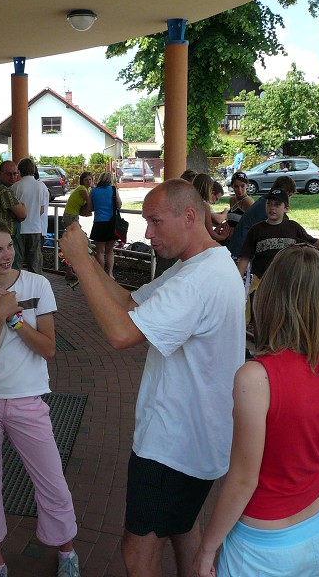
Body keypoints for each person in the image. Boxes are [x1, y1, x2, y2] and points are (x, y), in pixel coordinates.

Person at [60, 179, 245, 577]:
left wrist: (80, 263)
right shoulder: (201, 266)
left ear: (190, 216)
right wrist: (89, 259)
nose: (147, 233)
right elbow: (130, 302)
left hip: (172, 444)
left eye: (156, 221)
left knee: (138, 550)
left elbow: (121, 333)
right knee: (181, 527)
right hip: (197, 438)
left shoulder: (197, 281)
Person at [193, 245, 319, 577]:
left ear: (269, 297)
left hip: (262, 547)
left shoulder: (256, 377)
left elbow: (243, 480)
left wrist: (207, 549)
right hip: (317, 530)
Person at [0, 215, 79, 577]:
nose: (7, 255)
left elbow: (49, 349)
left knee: (52, 481)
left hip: (28, 398)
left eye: (9, 246)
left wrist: (15, 320)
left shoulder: (38, 285)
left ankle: (66, 552)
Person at [227, 175, 297, 260]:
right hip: (242, 253)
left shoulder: (264, 201)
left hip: (236, 249)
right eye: (290, 196)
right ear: (286, 193)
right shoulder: (270, 209)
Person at [11, 158, 49, 275]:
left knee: (17, 262)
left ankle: (16, 283)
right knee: (34, 264)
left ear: (20, 170)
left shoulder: (15, 186)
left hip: (19, 229)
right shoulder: (41, 186)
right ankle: (36, 285)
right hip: (35, 228)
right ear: (33, 169)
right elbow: (42, 209)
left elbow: (13, 209)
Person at [0, 161, 26, 269]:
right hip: (7, 237)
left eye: (15, 173)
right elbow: (23, 214)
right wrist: (21, 207)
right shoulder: (4, 191)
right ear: (0, 173)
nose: (12, 177)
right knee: (11, 267)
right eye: (9, 174)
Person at [89, 171, 122, 279]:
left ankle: (101, 275)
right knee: (109, 251)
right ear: (110, 180)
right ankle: (110, 274)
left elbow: (91, 207)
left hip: (99, 222)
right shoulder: (113, 189)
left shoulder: (93, 191)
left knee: (100, 251)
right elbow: (119, 204)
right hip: (112, 223)